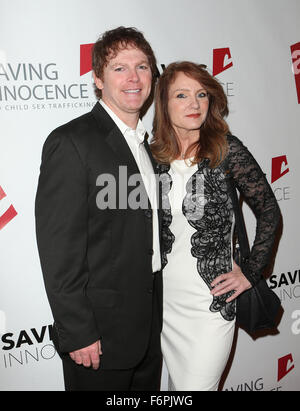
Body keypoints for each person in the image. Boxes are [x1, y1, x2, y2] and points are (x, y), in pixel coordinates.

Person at [35, 27, 162, 391]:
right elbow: (59, 250)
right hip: (98, 334)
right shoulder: (72, 142)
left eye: (142, 66)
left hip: (148, 321)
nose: (134, 78)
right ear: (97, 79)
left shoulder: (145, 146)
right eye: (119, 68)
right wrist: (77, 332)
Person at [150, 61, 281, 391]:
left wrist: (250, 273)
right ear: (164, 103)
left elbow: (269, 213)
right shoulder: (149, 157)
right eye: (182, 95)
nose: (194, 104)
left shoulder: (225, 149)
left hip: (211, 302)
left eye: (202, 94)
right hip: (162, 303)